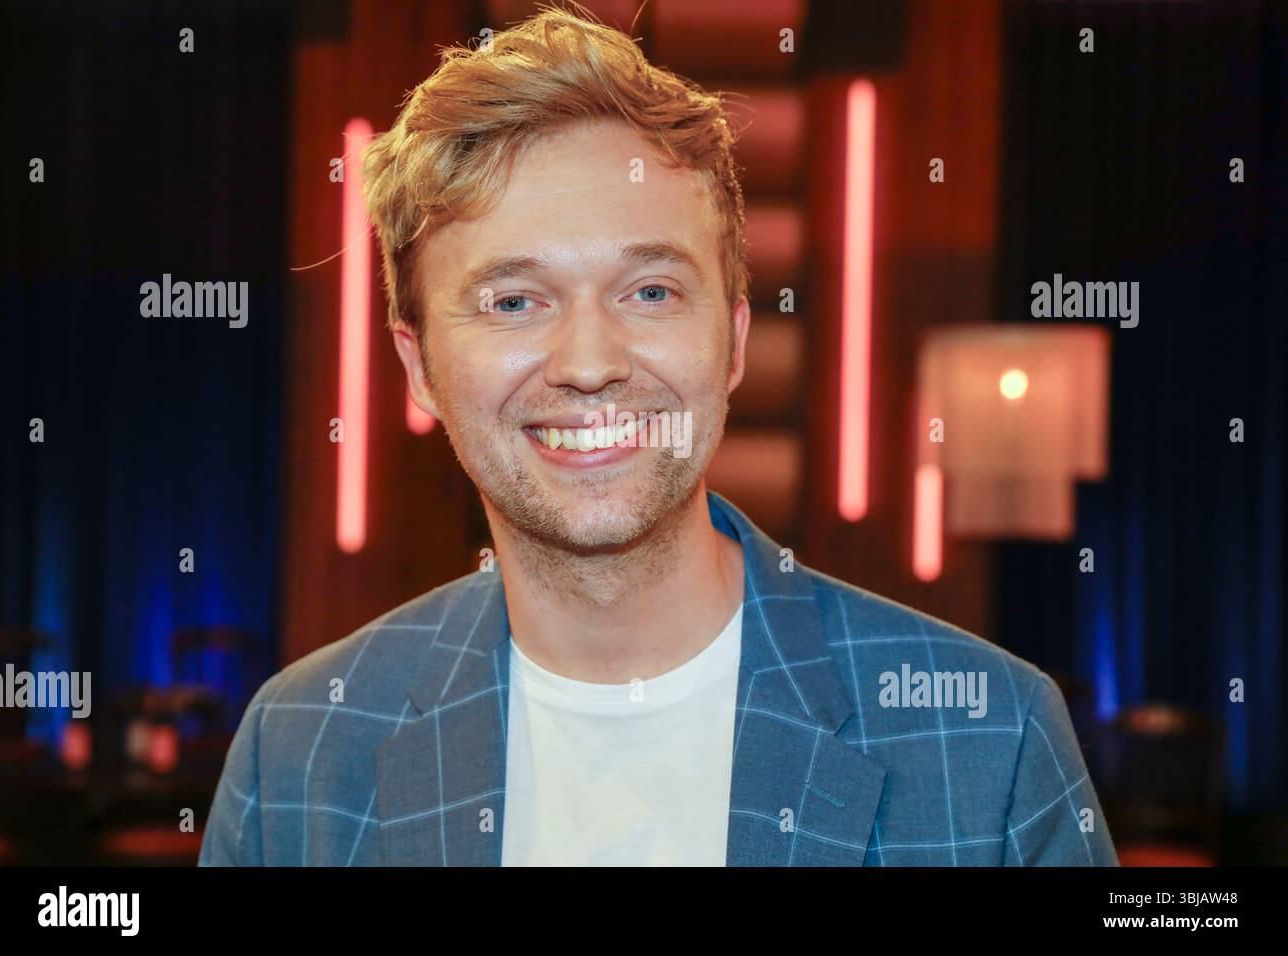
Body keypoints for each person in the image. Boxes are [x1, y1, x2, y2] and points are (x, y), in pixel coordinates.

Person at [199, 5, 1117, 867]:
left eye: (649, 291)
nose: (590, 363)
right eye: (514, 301)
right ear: (418, 368)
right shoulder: (298, 754)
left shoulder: (990, 739)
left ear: (735, 342)